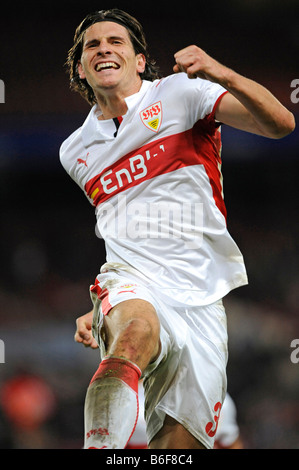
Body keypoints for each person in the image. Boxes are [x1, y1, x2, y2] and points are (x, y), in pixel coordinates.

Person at [59, 8, 295, 450]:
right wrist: (105, 307)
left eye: (116, 42)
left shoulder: (182, 94)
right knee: (134, 335)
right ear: (80, 67)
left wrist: (221, 73)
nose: (104, 49)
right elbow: (121, 228)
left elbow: (281, 124)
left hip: (201, 295)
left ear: (141, 60)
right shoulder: (75, 151)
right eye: (93, 45)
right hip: (133, 282)